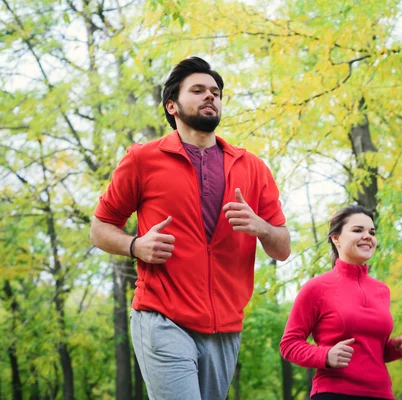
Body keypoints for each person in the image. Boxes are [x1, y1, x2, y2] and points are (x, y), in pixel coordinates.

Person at [90, 56, 290, 400]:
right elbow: (100, 227)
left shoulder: (253, 167)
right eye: (197, 90)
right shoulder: (142, 159)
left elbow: (282, 248)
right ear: (173, 106)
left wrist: (261, 227)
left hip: (225, 325)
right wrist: (135, 246)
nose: (210, 96)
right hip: (161, 316)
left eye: (215, 91)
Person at [280, 205, 402, 400]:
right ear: (336, 238)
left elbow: (368, 351)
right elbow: (289, 345)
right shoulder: (317, 287)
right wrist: (325, 356)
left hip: (381, 393)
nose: (368, 236)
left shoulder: (382, 290)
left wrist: (394, 349)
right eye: (358, 230)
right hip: (334, 392)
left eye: (372, 232)